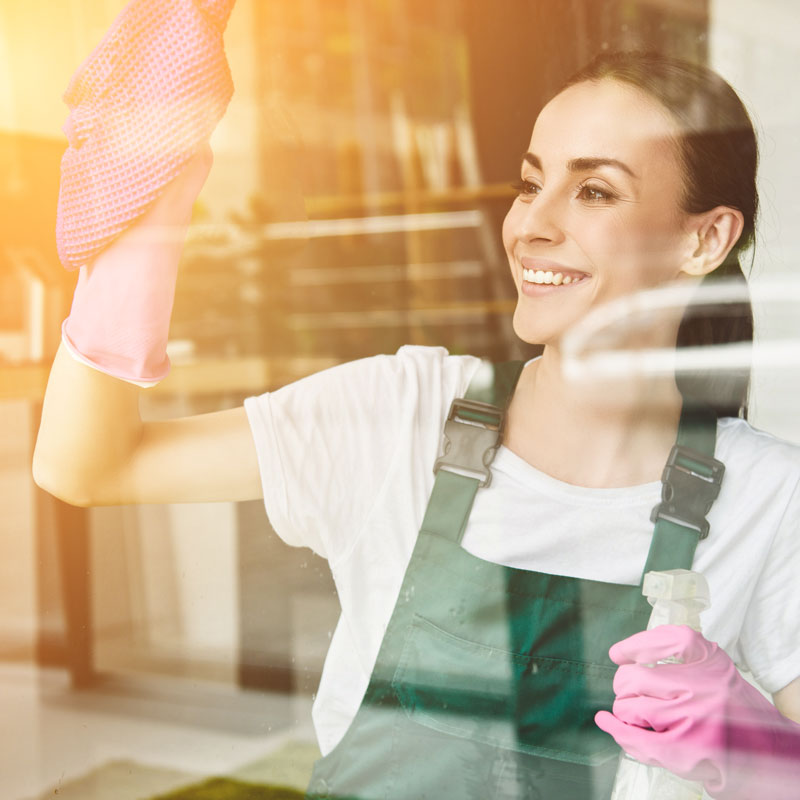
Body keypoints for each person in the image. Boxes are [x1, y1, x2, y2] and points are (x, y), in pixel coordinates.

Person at [33, 51, 800, 799]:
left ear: (704, 239)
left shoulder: (768, 498)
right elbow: (89, 466)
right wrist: (150, 218)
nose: (531, 223)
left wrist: (754, 746)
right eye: (530, 184)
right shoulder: (402, 415)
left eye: (595, 191)